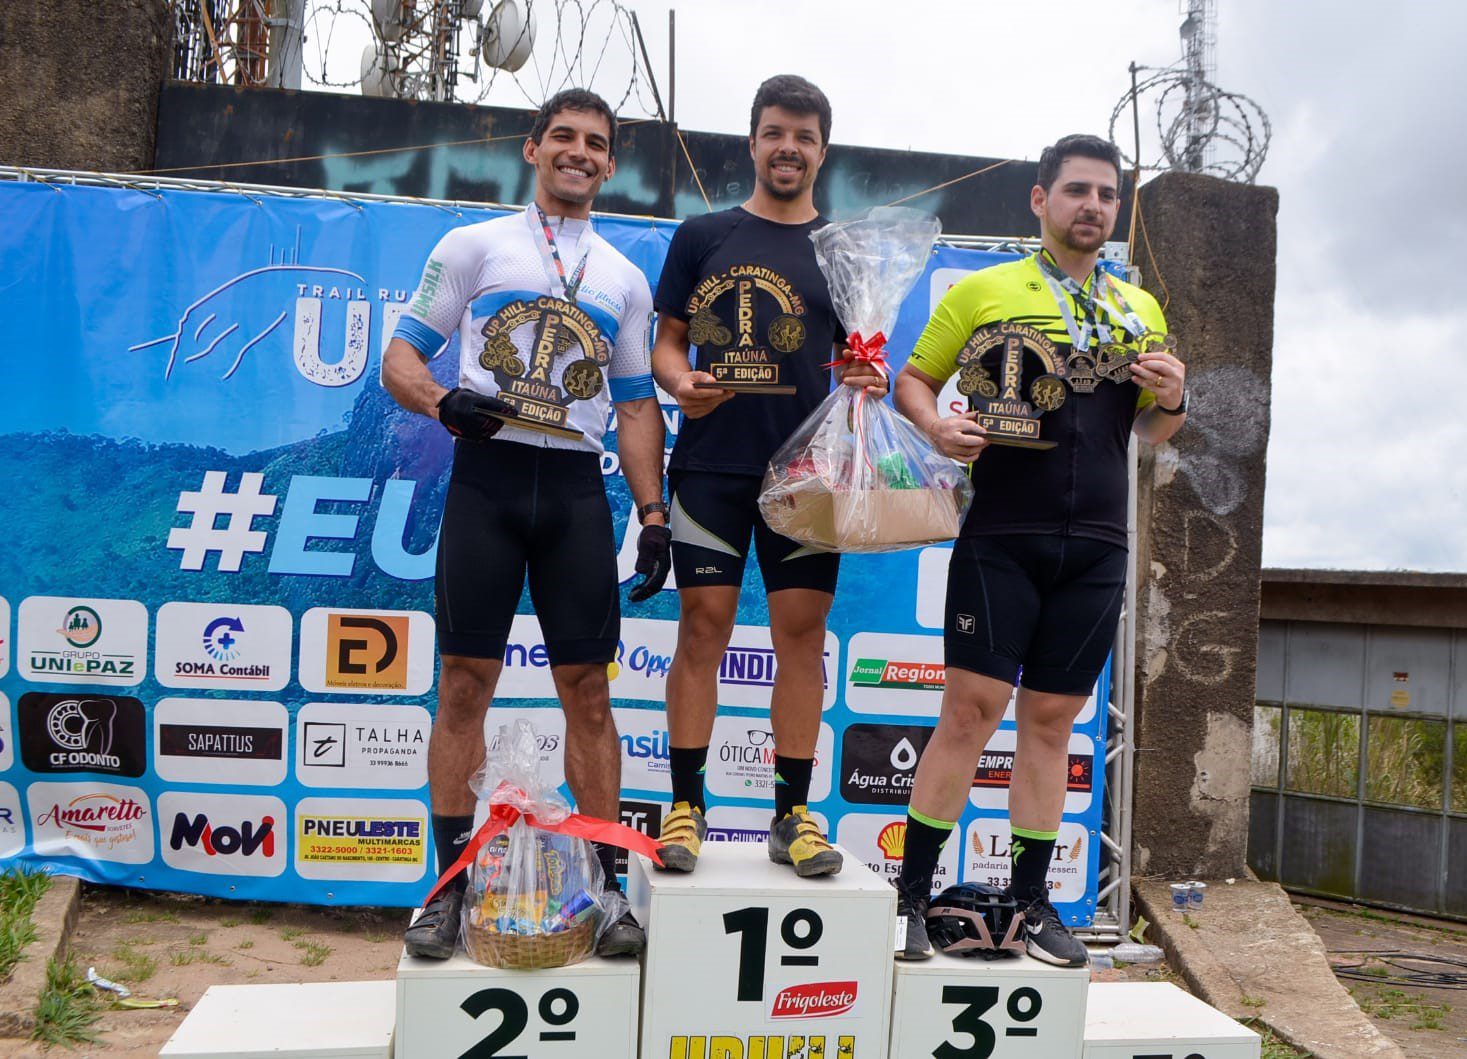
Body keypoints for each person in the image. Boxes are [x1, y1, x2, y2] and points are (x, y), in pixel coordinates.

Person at [381, 88, 672, 959]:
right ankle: (446, 891)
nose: (579, 153)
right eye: (564, 138)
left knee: (590, 692)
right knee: (463, 685)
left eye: (596, 143)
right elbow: (399, 357)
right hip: (490, 480)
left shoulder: (623, 277)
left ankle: (607, 891)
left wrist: (653, 514)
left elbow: (635, 405)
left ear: (610, 164)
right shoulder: (473, 246)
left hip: (576, 492)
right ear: (533, 148)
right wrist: (442, 402)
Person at [890, 134, 1189, 964]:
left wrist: (1174, 398)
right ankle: (909, 898)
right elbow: (913, 380)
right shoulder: (985, 290)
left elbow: (1154, 432)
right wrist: (936, 424)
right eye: (1077, 190)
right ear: (1040, 199)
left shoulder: (1140, 307)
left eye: (1107, 194)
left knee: (1051, 724)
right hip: (1003, 536)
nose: (1093, 206)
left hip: (1097, 544)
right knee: (969, 714)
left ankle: (1030, 903)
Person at [649, 75, 885, 876]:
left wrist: (869, 375)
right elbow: (666, 343)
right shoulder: (702, 235)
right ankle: (686, 806)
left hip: (806, 475)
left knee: (802, 636)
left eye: (804, 136)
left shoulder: (842, 251)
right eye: (776, 132)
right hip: (710, 467)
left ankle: (792, 815)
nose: (789, 148)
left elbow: (858, 356)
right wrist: (679, 381)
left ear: (823, 150)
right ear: (752, 142)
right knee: (702, 626)